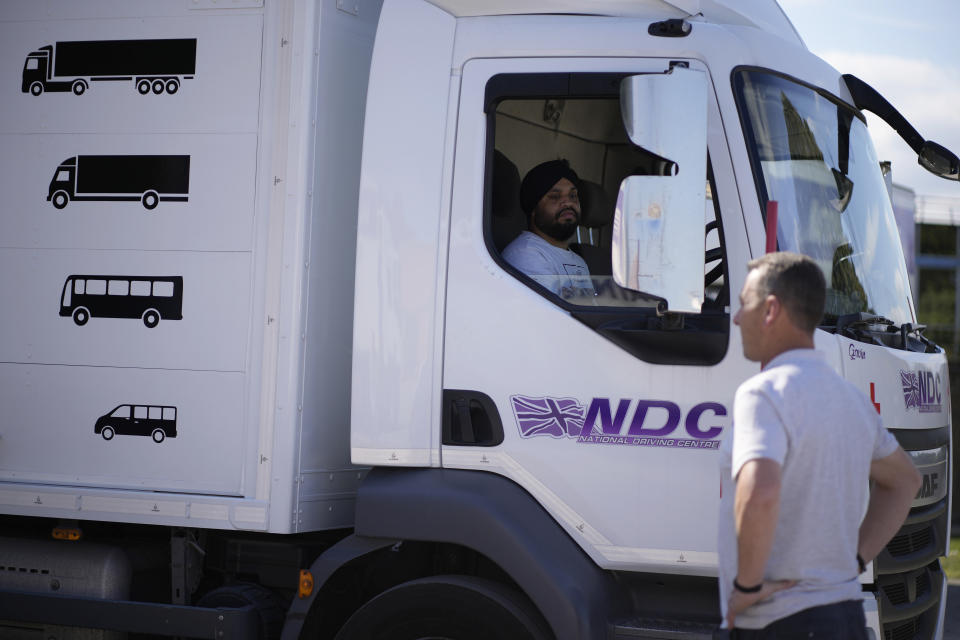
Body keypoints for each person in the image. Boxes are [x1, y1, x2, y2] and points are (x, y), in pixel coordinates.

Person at [718, 252, 921, 638]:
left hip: (778, 622)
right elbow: (906, 481)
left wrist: (747, 588)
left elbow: (759, 491)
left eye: (745, 303)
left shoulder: (763, 393)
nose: (737, 317)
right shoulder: (852, 399)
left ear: (771, 309)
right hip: (845, 618)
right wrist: (853, 560)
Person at [503, 159, 595, 299]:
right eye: (554, 196)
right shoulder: (526, 253)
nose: (568, 202)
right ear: (533, 208)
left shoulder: (579, 261)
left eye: (573, 195)